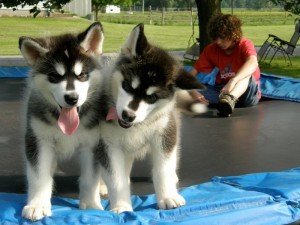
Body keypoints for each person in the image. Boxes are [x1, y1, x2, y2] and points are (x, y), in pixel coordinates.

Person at [189, 13, 261, 117]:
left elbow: (253, 62)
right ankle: (225, 102)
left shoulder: (244, 44)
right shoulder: (211, 49)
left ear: (233, 33)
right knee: (189, 93)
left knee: (246, 74)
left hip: (247, 95)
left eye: (222, 37)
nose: (218, 42)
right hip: (223, 91)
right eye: (215, 38)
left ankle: (230, 99)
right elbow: (190, 75)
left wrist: (233, 80)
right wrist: (192, 93)